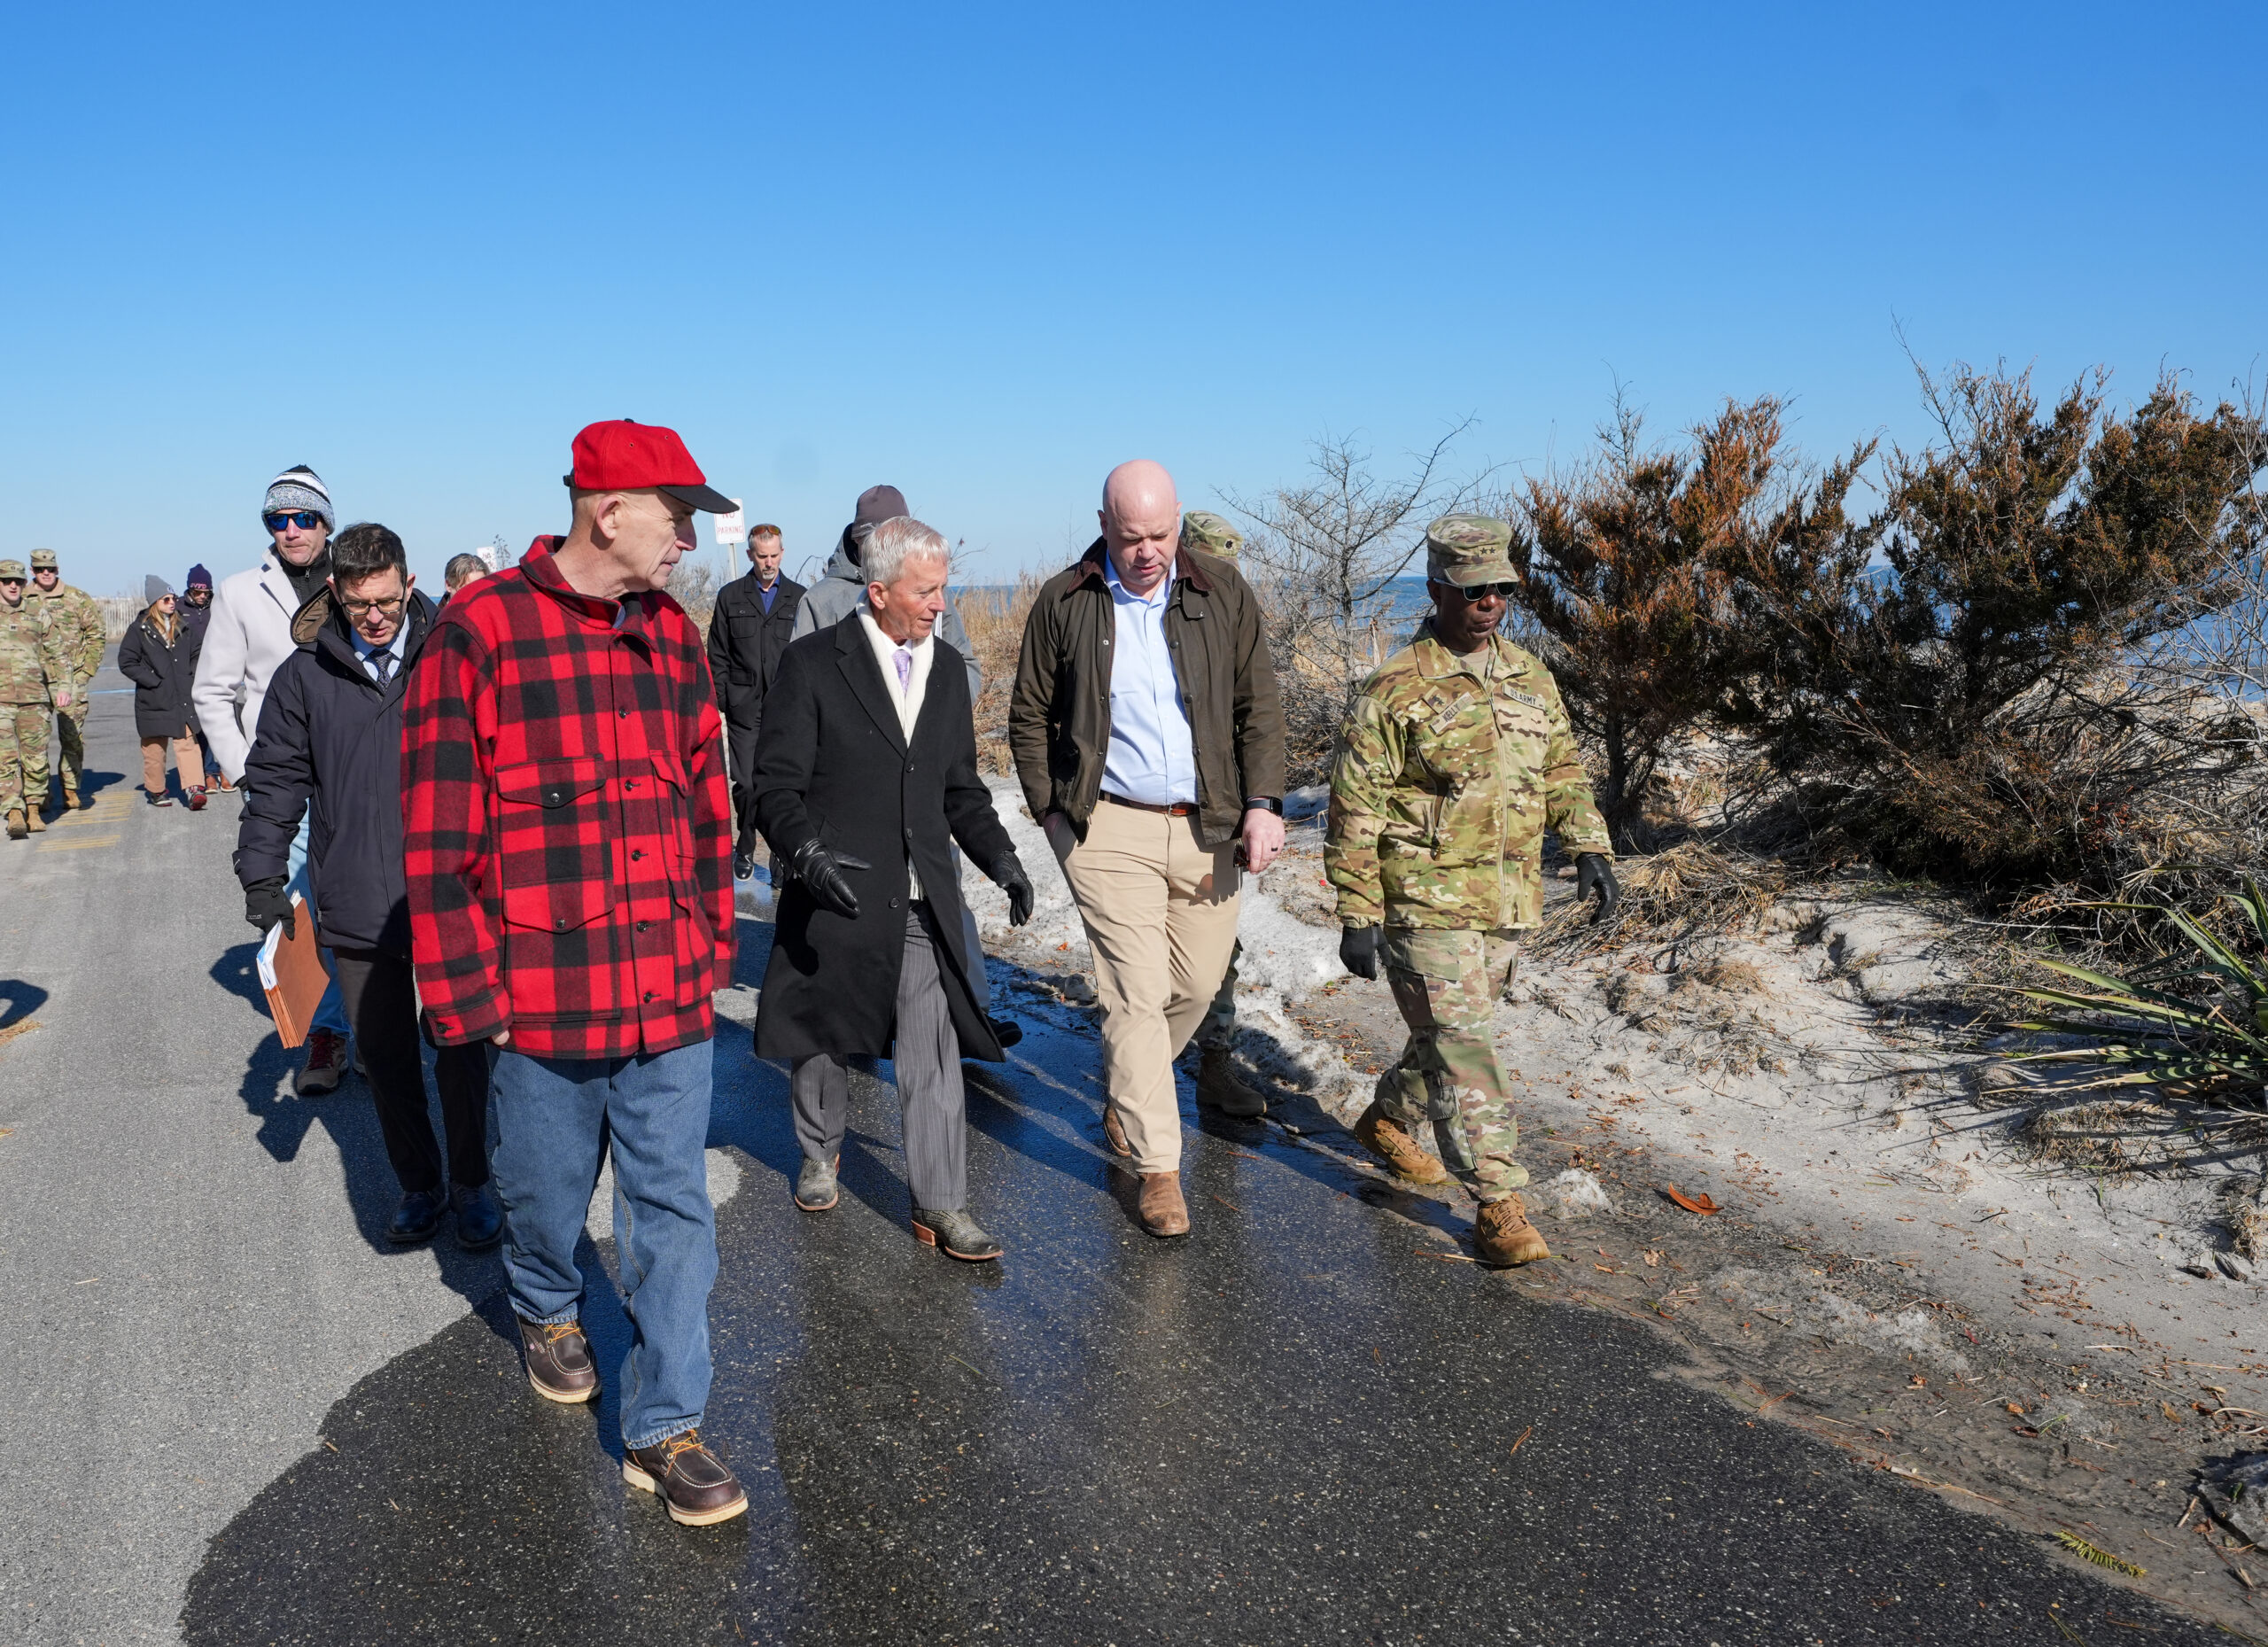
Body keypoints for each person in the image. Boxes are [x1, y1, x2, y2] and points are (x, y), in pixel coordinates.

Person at [402, 418, 745, 1528]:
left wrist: (711, 945)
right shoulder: (481, 632)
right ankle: (546, 1301)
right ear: (609, 511)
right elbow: (438, 838)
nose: (688, 537)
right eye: (676, 515)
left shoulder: (675, 636)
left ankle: (666, 1424)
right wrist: (474, 1006)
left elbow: (706, 804)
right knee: (545, 1198)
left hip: (667, 990)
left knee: (673, 1207)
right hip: (543, 1001)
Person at [1325, 516, 1621, 1268]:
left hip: (1507, 897)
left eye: (1501, 589)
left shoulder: (1529, 675)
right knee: (1466, 1050)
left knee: (1450, 1036)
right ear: (1436, 589)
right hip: (1423, 900)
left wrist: (1588, 845)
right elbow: (1356, 803)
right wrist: (1357, 909)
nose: (1490, 602)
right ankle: (1498, 1202)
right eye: (1473, 589)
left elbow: (1561, 767)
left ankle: (1387, 1119)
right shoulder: (1397, 686)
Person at [1007, 460, 1285, 1238]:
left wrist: (1263, 804)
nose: (1148, 551)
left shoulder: (1221, 590)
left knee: (1194, 985)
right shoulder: (1065, 600)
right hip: (1108, 825)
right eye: (1131, 536)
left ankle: (1132, 1089)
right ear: (1104, 525)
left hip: (1209, 822)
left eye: (1161, 534)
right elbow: (1028, 714)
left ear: (1179, 520)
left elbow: (1258, 704)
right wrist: (1053, 816)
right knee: (1134, 992)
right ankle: (1158, 1166)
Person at [752, 517, 1034, 1260]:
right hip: (836, 888)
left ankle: (941, 1201)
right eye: (926, 591)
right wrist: (804, 852)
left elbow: (960, 787)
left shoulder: (945, 670)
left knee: (932, 1045)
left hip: (919, 896)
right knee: (824, 1033)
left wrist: (1001, 857)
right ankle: (819, 1150)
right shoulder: (813, 663)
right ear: (877, 592)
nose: (942, 603)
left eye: (944, 588)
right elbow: (774, 786)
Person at [237, 523, 499, 1247]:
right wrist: (261, 874)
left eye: (387, 600)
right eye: (359, 605)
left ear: (409, 584)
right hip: (354, 891)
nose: (376, 616)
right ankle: (420, 1183)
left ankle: (473, 1180)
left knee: (463, 1046)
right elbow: (275, 780)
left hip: (449, 891)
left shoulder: (451, 655)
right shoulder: (305, 676)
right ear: (335, 593)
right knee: (384, 1055)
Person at [794, 485, 1018, 1047]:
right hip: (852, 810)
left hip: (926, 794)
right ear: (860, 541)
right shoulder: (822, 601)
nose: (936, 602)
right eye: (878, 534)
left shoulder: (929, 592)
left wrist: (934, 710)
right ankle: (864, 1021)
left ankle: (969, 1012)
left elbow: (964, 667)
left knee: (945, 904)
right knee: (855, 929)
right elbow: (799, 696)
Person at [192, 467, 353, 1093]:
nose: (291, 530)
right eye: (278, 519)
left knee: (368, 902)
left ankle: (374, 1027)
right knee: (303, 911)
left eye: (304, 517)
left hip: (354, 770)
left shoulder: (354, 581)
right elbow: (212, 692)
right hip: (284, 780)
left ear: (325, 523)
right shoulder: (239, 592)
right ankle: (328, 1034)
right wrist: (246, 771)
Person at [1176, 510, 1268, 1120]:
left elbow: (1254, 713)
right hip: (1154, 810)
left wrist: (1257, 805)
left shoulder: (1237, 612)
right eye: (1210, 562)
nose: (1219, 575)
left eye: (1228, 565)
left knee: (1217, 949)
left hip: (1219, 811)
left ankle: (1215, 1063)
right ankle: (1133, 1068)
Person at [706, 522, 804, 880]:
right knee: (746, 783)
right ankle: (745, 843)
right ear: (750, 555)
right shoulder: (730, 596)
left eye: (774, 555)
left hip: (786, 709)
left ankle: (780, 855)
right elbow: (717, 652)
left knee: (781, 784)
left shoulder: (799, 597)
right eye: (762, 556)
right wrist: (724, 697)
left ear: (782, 553)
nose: (769, 562)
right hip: (743, 707)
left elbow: (808, 654)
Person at [23, 549, 105, 816]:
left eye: (50, 568)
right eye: (39, 569)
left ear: (57, 569)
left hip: (71, 680)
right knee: (35, 741)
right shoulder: (21, 598)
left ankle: (70, 787)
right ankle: (40, 791)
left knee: (72, 737)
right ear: (32, 571)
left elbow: (96, 635)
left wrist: (85, 672)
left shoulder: (76, 598)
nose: (46, 573)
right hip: (34, 681)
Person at [115, 578, 208, 811]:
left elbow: (198, 652)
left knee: (188, 742)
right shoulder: (139, 629)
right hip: (153, 698)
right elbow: (127, 662)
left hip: (182, 696)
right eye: (166, 599)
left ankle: (195, 788)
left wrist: (191, 675)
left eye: (173, 598)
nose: (172, 602)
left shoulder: (183, 626)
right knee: (154, 749)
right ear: (154, 602)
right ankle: (157, 790)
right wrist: (153, 681)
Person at [0, 560, 68, 841]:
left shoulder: (36, 612)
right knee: (4, 759)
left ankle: (34, 808)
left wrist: (64, 686)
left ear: (24, 583)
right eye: (6, 581)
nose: (13, 585)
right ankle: (14, 811)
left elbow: (58, 651)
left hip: (34, 699)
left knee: (36, 759)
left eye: (18, 581)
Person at [176, 565, 226, 792]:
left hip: (218, 670)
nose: (203, 596)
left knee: (222, 721)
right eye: (198, 592)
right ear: (189, 590)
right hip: (191, 673)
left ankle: (225, 769)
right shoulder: (178, 608)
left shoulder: (218, 606)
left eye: (206, 592)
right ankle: (209, 772)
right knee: (200, 725)